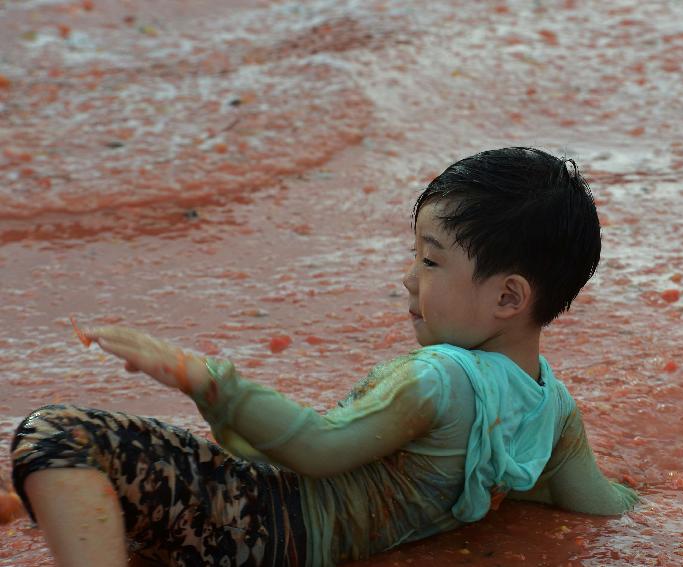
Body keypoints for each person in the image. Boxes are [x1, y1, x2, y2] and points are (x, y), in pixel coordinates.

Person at [10, 147, 638, 567]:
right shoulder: (551, 411)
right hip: (272, 536)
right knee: (90, 484)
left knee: (60, 435)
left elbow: (316, 448)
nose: (407, 278)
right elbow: (604, 505)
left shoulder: (439, 378)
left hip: (262, 527)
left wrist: (202, 379)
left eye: (429, 259)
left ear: (508, 296)